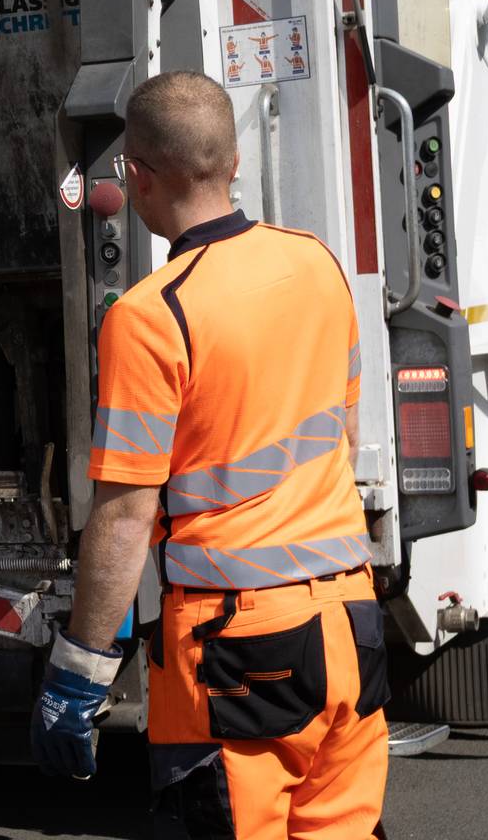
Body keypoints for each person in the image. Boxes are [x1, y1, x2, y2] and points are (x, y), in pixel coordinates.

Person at [31, 71, 388, 838]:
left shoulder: (152, 317)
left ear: (137, 176)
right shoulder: (318, 265)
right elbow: (345, 439)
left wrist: (80, 670)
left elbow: (126, 519)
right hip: (350, 627)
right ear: (233, 163)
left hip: (236, 656)